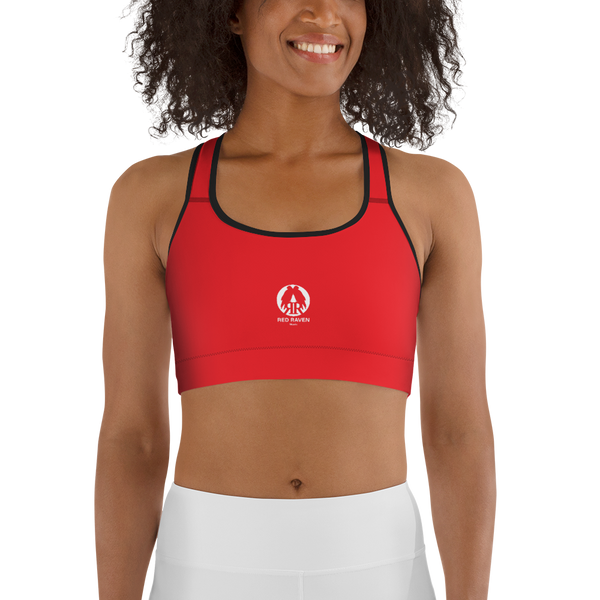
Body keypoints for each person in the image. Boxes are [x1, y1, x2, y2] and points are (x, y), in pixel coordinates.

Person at [95, 1, 497, 599]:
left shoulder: (434, 195)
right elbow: (133, 439)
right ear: (230, 12)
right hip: (206, 565)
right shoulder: (151, 197)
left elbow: (458, 431)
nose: (324, 13)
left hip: (378, 566)